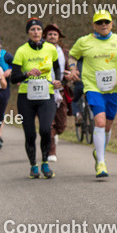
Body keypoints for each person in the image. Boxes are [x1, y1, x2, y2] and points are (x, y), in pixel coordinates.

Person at [68, 11, 117, 179]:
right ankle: (101, 162)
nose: (103, 25)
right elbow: (72, 55)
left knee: (107, 126)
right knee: (99, 122)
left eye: (106, 22)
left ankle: (98, 152)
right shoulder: (84, 42)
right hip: (93, 87)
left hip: (113, 89)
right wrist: (73, 68)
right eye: (99, 22)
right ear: (94, 25)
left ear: (112, 24)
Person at [9, 19, 61, 179]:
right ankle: (33, 166)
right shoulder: (21, 51)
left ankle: (45, 163)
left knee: (46, 130)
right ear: (28, 32)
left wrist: (58, 79)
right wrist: (26, 74)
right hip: (26, 96)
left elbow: (57, 67)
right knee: (30, 134)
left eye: (39, 29)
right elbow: (13, 77)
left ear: (42, 32)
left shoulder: (50, 48)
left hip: (47, 94)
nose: (36, 32)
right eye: (33, 29)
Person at [43, 24, 69, 162]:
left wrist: (69, 75)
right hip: (45, 91)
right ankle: (51, 151)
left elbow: (68, 68)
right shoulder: (41, 50)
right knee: (49, 123)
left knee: (61, 125)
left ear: (59, 37)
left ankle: (54, 134)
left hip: (61, 90)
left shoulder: (64, 52)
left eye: (55, 34)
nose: (52, 36)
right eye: (50, 34)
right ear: (45, 37)